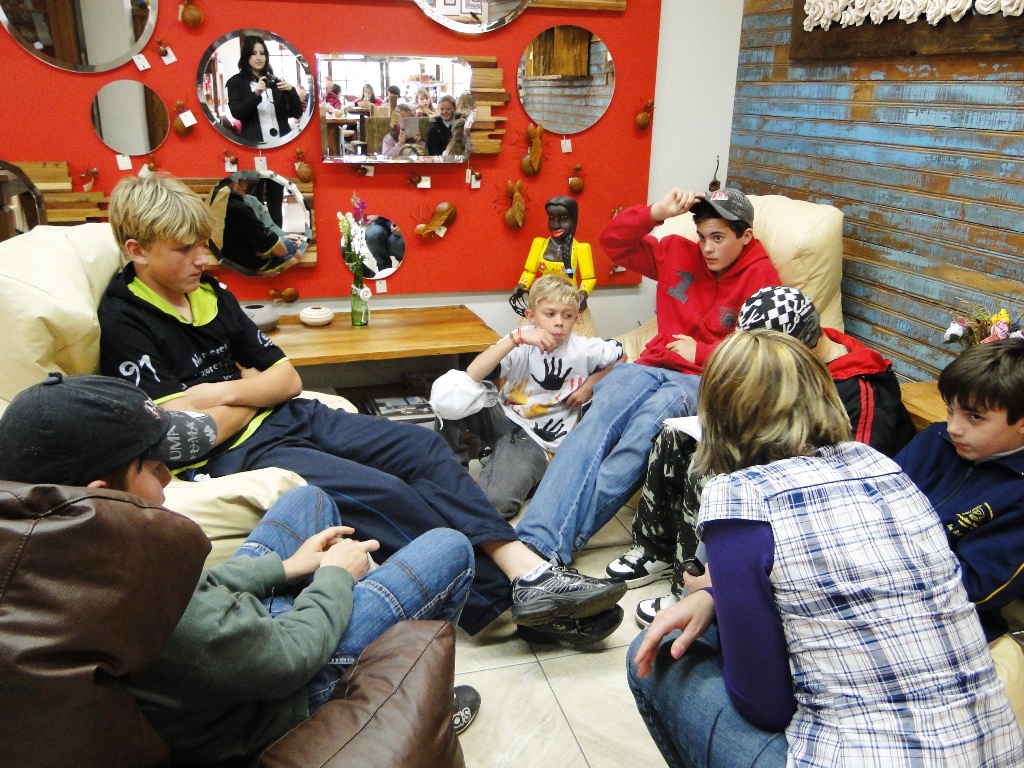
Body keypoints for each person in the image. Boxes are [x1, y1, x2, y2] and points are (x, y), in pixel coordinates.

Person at [97, 173, 627, 645]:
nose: (203, 259)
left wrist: (218, 393)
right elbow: (187, 433)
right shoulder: (125, 320)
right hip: (237, 451)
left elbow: (287, 379)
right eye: (184, 249)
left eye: (202, 245)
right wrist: (251, 388)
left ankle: (528, 572)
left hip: (291, 413)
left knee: (421, 446)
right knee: (386, 492)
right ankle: (508, 603)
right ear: (137, 250)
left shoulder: (209, 291)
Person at [0, 373, 480, 763]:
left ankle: (338, 611)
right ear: (100, 492)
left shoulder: (61, 543)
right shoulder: (131, 588)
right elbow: (288, 655)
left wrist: (285, 568)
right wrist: (335, 577)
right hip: (267, 700)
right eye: (151, 464)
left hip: (228, 652)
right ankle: (422, 703)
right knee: (448, 548)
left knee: (307, 498)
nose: (167, 474)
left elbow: (196, 592)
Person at [627, 330, 1023, 768]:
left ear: (718, 415)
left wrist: (724, 596)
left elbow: (765, 705)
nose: (953, 428)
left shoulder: (738, 499)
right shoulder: (880, 465)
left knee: (654, 650)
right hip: (994, 749)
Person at [610, 285, 918, 625]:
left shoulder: (860, 390)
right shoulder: (797, 358)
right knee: (678, 437)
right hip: (777, 457)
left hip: (816, 496)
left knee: (713, 474)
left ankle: (690, 590)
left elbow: (850, 475)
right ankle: (654, 548)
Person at [512, 188, 780, 567]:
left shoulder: (762, 278)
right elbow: (613, 243)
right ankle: (535, 539)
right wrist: (656, 212)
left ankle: (548, 546)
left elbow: (766, 351)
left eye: (718, 238)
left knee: (640, 436)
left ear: (746, 236)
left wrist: (702, 353)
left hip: (699, 379)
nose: (707, 248)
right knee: (593, 428)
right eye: (702, 236)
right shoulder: (676, 251)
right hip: (648, 365)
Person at [895, 338, 1024, 722]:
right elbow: (870, 500)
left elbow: (976, 588)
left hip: (946, 624)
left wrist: (888, 558)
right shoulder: (934, 440)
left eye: (975, 418)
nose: (953, 427)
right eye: (950, 409)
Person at [434, 274, 622, 522]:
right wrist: (517, 338)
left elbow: (621, 355)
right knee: (451, 392)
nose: (559, 323)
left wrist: (590, 384)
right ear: (531, 316)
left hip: (537, 439)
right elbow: (472, 374)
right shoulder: (520, 339)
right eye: (550, 314)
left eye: (567, 316)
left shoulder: (586, 349)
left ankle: (511, 465)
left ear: (576, 318)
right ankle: (449, 477)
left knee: (495, 505)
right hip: (503, 417)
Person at [510, 196, 597, 337]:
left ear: (574, 220)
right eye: (551, 218)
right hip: (543, 304)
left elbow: (588, 279)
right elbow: (529, 271)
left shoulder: (581, 249)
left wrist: (583, 294)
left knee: (573, 343)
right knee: (533, 343)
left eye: (563, 218)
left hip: (569, 305)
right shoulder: (539, 244)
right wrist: (522, 284)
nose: (556, 225)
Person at [211, 172, 303, 275]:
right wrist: (270, 247)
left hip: (247, 250)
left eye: (246, 180)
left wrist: (283, 236)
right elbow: (281, 250)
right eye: (241, 180)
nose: (245, 184)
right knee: (291, 254)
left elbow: (268, 224)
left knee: (290, 246)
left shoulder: (246, 201)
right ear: (232, 183)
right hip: (245, 260)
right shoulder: (238, 208)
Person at [225, 35, 302, 146]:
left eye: (262, 53)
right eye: (253, 53)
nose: (258, 58)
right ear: (246, 56)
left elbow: (297, 113)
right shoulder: (236, 82)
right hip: (253, 144)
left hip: (283, 143)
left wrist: (291, 91)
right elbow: (237, 113)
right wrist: (255, 94)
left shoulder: (274, 81)